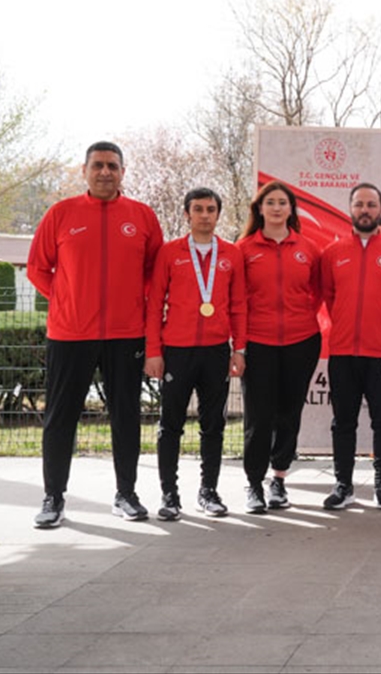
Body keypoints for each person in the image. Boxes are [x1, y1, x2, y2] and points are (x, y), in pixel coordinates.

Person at [27, 141, 163, 527]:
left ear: (123, 172)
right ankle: (53, 497)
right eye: (98, 165)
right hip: (70, 334)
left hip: (126, 334)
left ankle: (127, 494)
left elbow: (156, 270)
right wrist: (67, 299)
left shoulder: (142, 216)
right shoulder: (61, 213)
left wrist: (138, 300)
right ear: (84, 170)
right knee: (60, 417)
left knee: (126, 416)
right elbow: (38, 268)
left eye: (113, 166)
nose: (106, 172)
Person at [145, 188, 247, 519]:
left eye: (211, 209)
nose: (205, 215)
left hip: (216, 351)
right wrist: (153, 351)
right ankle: (169, 495)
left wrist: (239, 348)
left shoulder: (231, 254)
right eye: (198, 209)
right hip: (176, 350)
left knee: (213, 424)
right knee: (170, 424)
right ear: (187, 214)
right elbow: (153, 303)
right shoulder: (169, 252)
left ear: (219, 214)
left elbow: (239, 306)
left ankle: (209, 491)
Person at [320, 184, 381, 510]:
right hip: (343, 352)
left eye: (372, 204)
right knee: (343, 421)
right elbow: (329, 297)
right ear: (350, 209)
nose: (365, 210)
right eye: (359, 204)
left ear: (380, 208)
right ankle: (343, 485)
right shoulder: (333, 252)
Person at [237, 181, 323, 513]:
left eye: (282, 203)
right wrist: (240, 346)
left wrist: (301, 317)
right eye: (269, 202)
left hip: (301, 342)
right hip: (258, 342)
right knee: (258, 417)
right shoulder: (244, 249)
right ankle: (254, 485)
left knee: (289, 414)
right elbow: (236, 300)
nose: (276, 208)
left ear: (291, 209)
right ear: (259, 209)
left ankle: (279, 480)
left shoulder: (308, 248)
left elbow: (318, 292)